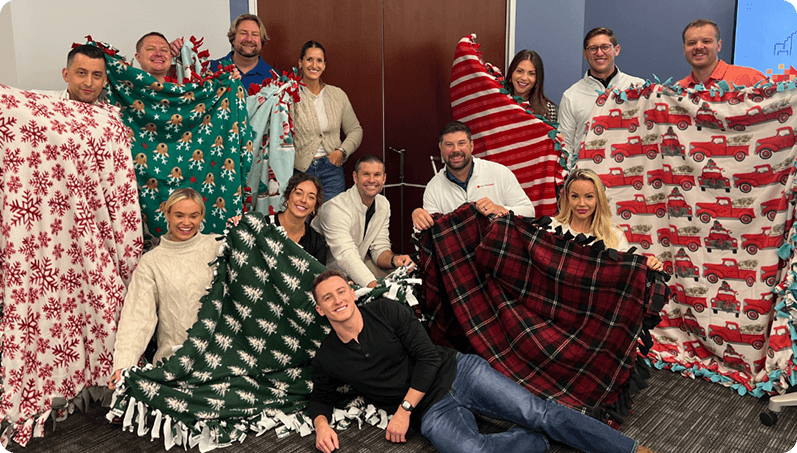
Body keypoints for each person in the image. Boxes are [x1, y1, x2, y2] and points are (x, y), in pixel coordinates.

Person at [308, 269, 658, 453]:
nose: (338, 300)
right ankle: (534, 442)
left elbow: (428, 357)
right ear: (321, 309)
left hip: (458, 373)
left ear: (352, 293)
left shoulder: (385, 309)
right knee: (469, 450)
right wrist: (322, 425)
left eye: (341, 291)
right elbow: (321, 395)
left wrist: (403, 410)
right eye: (328, 298)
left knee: (539, 411)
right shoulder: (328, 356)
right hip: (432, 410)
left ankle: (630, 450)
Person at [109, 188, 220, 388]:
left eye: (193, 216)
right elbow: (137, 317)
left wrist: (246, 229)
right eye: (179, 215)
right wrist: (124, 365)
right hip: (174, 364)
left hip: (218, 362)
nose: (186, 223)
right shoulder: (152, 262)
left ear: (202, 216)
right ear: (167, 214)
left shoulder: (217, 246)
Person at [412, 121, 535, 231]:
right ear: (441, 148)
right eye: (449, 145)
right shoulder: (433, 187)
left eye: (461, 143)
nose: (456, 150)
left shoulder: (499, 172)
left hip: (499, 250)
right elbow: (428, 233)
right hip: (459, 254)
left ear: (471, 146)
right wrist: (418, 218)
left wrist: (500, 209)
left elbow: (529, 212)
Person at [312, 155, 413, 288]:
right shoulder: (334, 208)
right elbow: (346, 254)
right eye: (366, 174)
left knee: (402, 280)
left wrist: (395, 260)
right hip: (324, 275)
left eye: (377, 175)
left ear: (384, 179)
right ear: (355, 177)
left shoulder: (383, 204)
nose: (371, 180)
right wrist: (373, 286)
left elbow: (379, 248)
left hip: (355, 267)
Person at [559, 27, 644, 164]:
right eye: (593, 48)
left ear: (616, 50)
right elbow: (565, 146)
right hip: (586, 177)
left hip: (630, 173)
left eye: (605, 47)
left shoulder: (637, 86)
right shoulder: (571, 96)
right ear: (585, 54)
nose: (599, 53)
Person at [291, 41, 363, 200]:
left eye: (319, 61)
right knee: (301, 220)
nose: (314, 65)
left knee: (333, 220)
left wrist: (341, 152)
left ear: (324, 65)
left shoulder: (337, 95)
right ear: (300, 63)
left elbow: (355, 130)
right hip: (300, 170)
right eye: (309, 59)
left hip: (332, 170)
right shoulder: (289, 94)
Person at [552, 169, 662, 270]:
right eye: (575, 196)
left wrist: (649, 266)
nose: (581, 203)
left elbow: (628, 271)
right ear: (567, 197)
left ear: (599, 199)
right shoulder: (551, 229)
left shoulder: (615, 236)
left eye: (589, 196)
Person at [231, 172, 327, 264]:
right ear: (288, 197)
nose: (303, 200)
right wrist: (238, 225)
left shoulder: (317, 243)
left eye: (311, 197)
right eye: (298, 193)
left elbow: (318, 279)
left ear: (314, 207)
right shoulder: (261, 225)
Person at [171, 14, 274, 90]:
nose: (249, 39)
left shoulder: (275, 80)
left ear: (262, 40)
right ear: (233, 39)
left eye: (255, 34)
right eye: (243, 33)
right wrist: (170, 54)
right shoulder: (208, 69)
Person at [677, 19, 767, 89]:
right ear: (684, 49)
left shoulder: (752, 79)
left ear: (718, 46)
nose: (699, 47)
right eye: (692, 43)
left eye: (706, 41)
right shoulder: (678, 89)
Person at [32, 45, 107, 104]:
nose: (89, 83)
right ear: (66, 75)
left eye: (97, 75)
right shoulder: (36, 100)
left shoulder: (111, 118)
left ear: (104, 81)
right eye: (81, 73)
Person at [505, 49, 557, 122]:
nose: (524, 78)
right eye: (519, 71)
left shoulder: (548, 110)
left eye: (531, 73)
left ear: (537, 79)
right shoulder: (497, 100)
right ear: (511, 73)